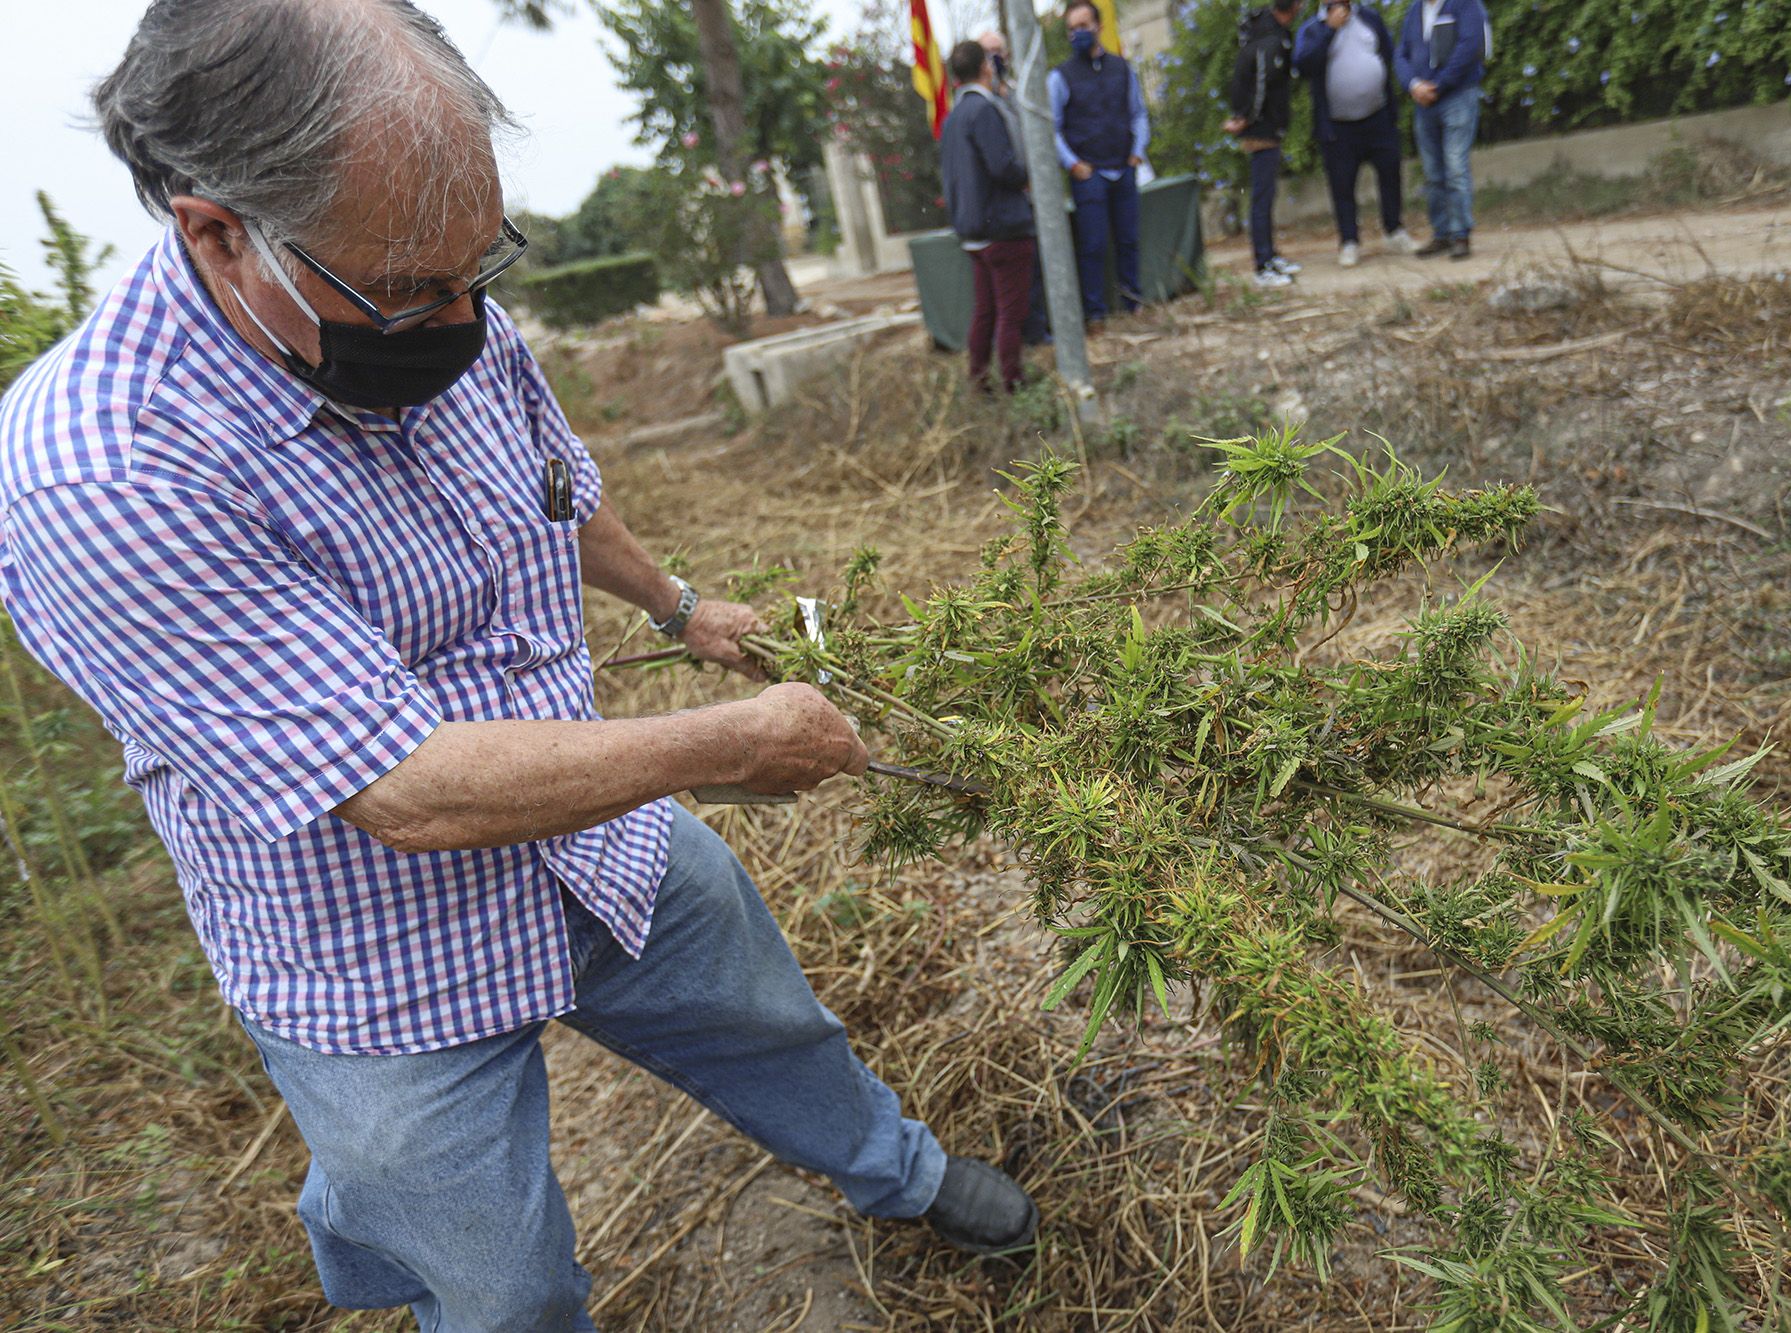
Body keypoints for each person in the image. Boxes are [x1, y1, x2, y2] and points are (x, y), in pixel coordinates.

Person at [0, 3, 1038, 1329]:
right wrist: (728, 744)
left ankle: (900, 1172)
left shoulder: (432, 297)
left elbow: (554, 487)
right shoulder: (109, 470)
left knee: (772, 1024)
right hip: (372, 961)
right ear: (217, 230)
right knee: (499, 1288)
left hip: (598, 838)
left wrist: (680, 607)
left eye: (474, 270)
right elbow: (407, 790)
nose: (459, 318)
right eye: (413, 287)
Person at [941, 40, 1037, 392]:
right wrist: (1027, 175)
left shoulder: (953, 117)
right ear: (986, 67)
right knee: (1011, 313)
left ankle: (979, 379)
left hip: (973, 231)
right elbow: (1002, 166)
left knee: (985, 311)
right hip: (1003, 228)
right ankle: (1014, 381)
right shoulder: (985, 110)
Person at [1294, 0, 1420, 267]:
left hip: (1378, 117)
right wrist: (1330, 30)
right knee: (1342, 185)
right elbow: (1304, 66)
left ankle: (1394, 230)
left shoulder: (1370, 19)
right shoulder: (1312, 29)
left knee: (1390, 174)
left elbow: (1388, 54)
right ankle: (1349, 241)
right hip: (1338, 125)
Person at [1050, 0, 1152, 326]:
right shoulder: (1060, 77)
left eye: (1084, 26)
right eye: (1072, 29)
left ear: (1099, 26)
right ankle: (1095, 313)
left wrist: (1138, 149)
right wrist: (1072, 163)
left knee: (1128, 239)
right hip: (1088, 174)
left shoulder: (1122, 68)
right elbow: (1051, 129)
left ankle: (1133, 301)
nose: (1079, 33)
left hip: (1123, 167)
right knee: (1093, 246)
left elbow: (1138, 113)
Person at [1394, 0, 1489, 259]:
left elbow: (1469, 46)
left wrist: (1439, 85)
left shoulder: (1464, 5)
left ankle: (1460, 234)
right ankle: (1442, 233)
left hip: (1457, 96)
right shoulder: (1415, 11)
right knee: (1433, 171)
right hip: (1424, 103)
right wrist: (1413, 84)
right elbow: (1401, 53)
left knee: (1455, 165)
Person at [975, 28, 1051, 346]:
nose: (997, 59)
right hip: (1003, 204)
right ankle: (1025, 337)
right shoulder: (981, 105)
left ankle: (1042, 328)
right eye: (989, 53)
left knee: (1039, 267)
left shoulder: (1018, 94)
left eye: (1000, 51)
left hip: (1032, 197)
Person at [1223, 0, 1303, 288]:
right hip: (1261, 129)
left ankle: (1270, 256)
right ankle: (1262, 266)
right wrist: (1246, 118)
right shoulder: (1269, 39)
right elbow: (1260, 83)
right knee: (1261, 199)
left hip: (1268, 127)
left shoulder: (1271, 33)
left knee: (1266, 198)